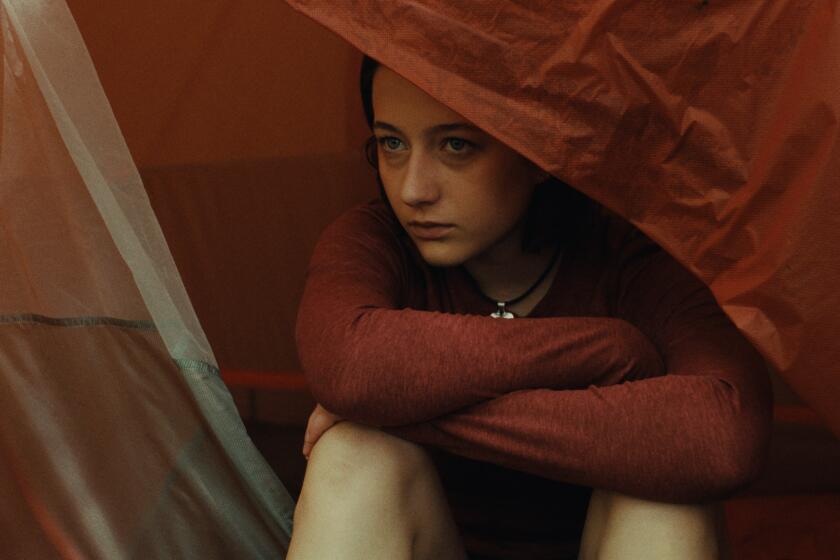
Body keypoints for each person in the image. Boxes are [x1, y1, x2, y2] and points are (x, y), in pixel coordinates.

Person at [286, 55, 772, 559]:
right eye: (392, 143)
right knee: (353, 454)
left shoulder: (636, 258)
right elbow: (347, 365)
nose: (413, 190)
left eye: (456, 146)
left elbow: (724, 436)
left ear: (537, 150)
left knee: (667, 496)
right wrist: (609, 347)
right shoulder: (373, 240)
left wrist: (395, 410)